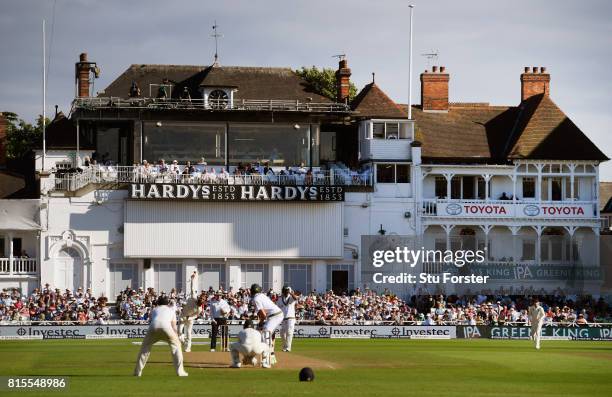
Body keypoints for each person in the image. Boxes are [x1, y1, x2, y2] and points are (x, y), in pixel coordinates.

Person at [133, 296, 188, 376]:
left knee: (144, 349)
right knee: (177, 347)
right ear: (167, 303)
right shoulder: (171, 310)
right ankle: (180, 372)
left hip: (153, 327)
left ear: (158, 303)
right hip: (167, 328)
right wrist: (177, 337)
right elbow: (174, 326)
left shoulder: (154, 310)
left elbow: (151, 320)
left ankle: (137, 372)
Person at [250, 283, 283, 367]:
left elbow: (263, 315)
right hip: (275, 315)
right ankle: (271, 356)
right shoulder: (262, 295)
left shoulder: (256, 299)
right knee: (266, 336)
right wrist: (261, 323)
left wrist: (260, 323)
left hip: (275, 316)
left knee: (265, 334)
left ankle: (267, 361)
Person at [179, 272, 204, 352]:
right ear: (199, 298)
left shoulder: (199, 309)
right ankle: (184, 343)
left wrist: (189, 317)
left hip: (189, 319)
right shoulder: (194, 298)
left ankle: (188, 347)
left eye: (203, 301)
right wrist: (192, 279)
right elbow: (192, 288)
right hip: (182, 316)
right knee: (179, 332)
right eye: (201, 299)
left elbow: (196, 316)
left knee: (189, 333)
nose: (201, 301)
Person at [278, 285, 300, 352]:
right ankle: (285, 346)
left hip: (291, 318)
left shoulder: (291, 297)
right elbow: (277, 307)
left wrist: (290, 292)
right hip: (284, 318)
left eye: (286, 291)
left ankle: (288, 347)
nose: (285, 292)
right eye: (284, 291)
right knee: (282, 333)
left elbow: (296, 298)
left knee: (289, 332)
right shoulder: (280, 299)